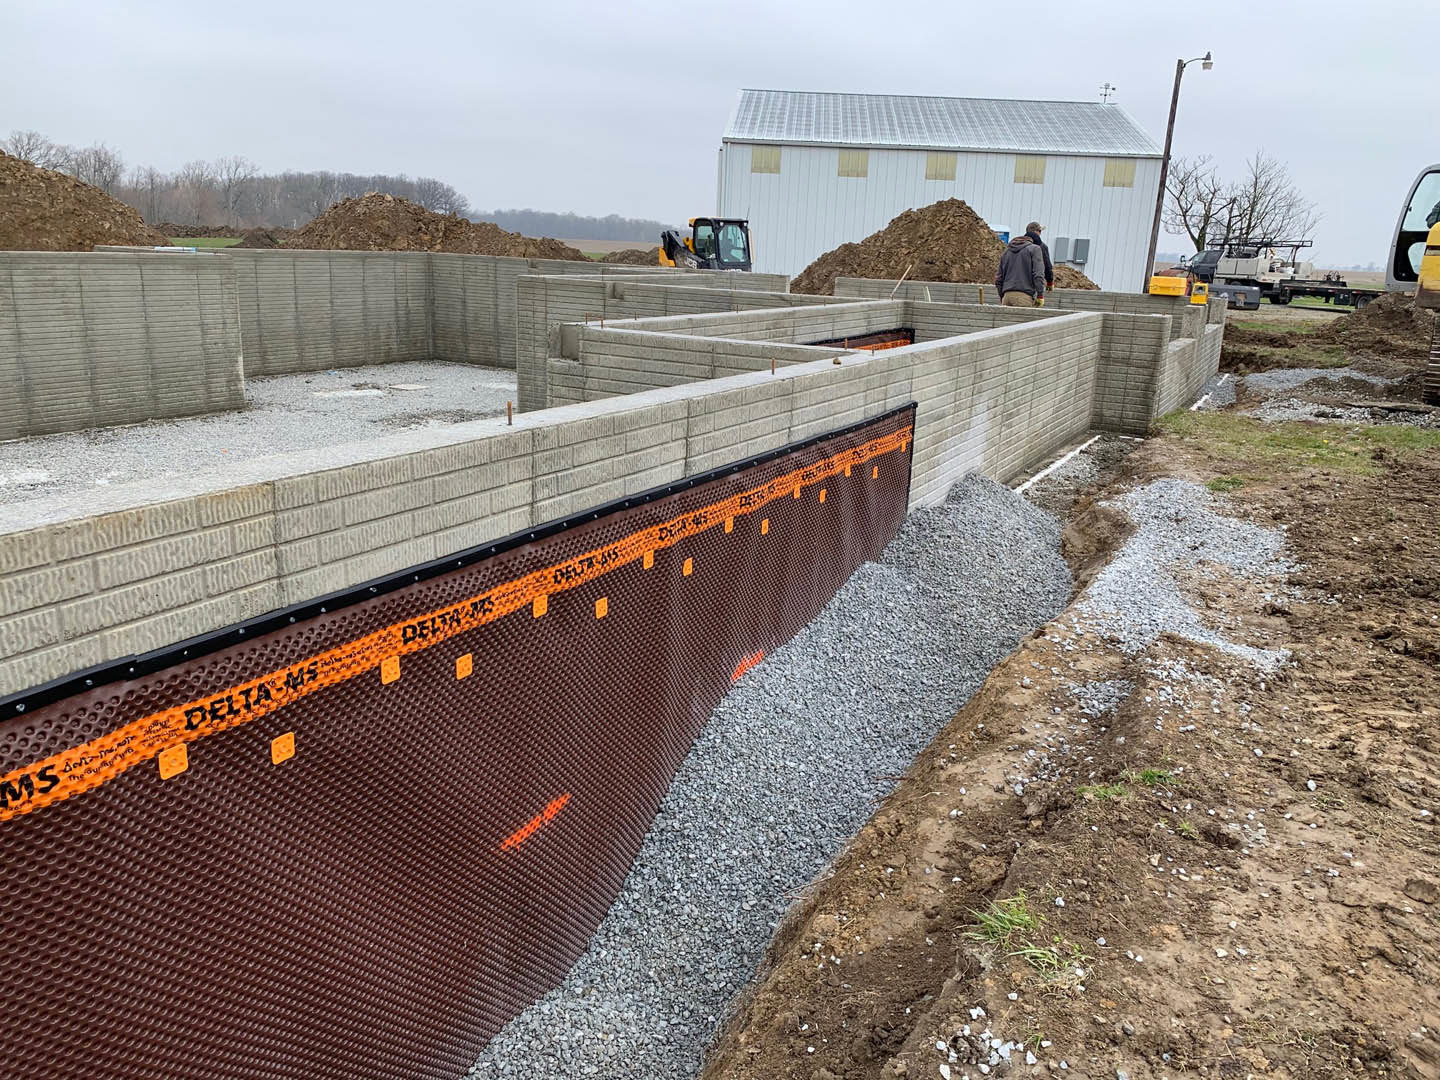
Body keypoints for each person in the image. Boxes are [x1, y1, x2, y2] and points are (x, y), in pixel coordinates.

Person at [995, 233, 1047, 306]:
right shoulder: (1035, 249)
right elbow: (1038, 274)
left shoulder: (1007, 251)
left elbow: (998, 279)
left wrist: (1002, 297)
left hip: (1006, 297)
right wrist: (1040, 295)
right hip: (1023, 297)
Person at [1024, 221, 1055, 292]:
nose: (1040, 233)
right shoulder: (1041, 247)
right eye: (1040, 231)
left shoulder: (1018, 244)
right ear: (1036, 232)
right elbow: (1046, 266)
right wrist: (1050, 281)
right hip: (1030, 286)